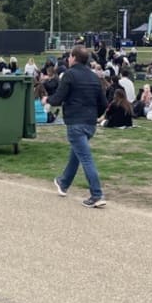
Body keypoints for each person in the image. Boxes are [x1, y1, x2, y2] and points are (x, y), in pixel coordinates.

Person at [49, 44, 108, 208]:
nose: (68, 59)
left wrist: (47, 100)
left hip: (76, 122)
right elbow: (103, 103)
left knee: (86, 158)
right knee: (77, 154)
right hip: (90, 124)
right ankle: (63, 182)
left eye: (69, 56)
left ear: (74, 58)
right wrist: (95, 116)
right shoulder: (94, 77)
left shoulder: (69, 75)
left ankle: (97, 194)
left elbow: (58, 98)